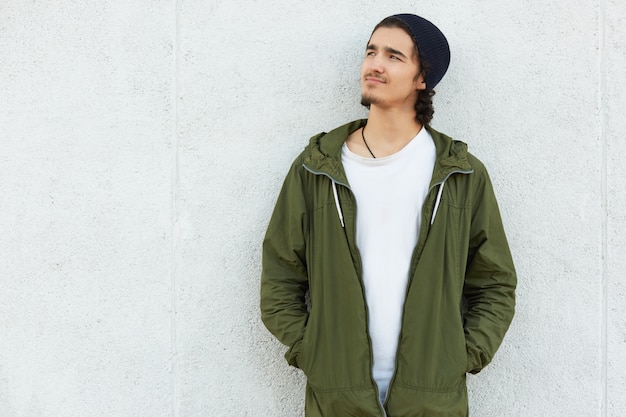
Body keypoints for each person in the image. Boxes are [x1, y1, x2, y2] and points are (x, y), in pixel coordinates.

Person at [260, 13, 516, 417]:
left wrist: (460, 357)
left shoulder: (460, 174)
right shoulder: (316, 168)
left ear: (422, 79)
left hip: (432, 401)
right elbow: (280, 276)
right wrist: (314, 352)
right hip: (336, 400)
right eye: (371, 51)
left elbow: (495, 283)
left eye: (394, 56)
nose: (374, 64)